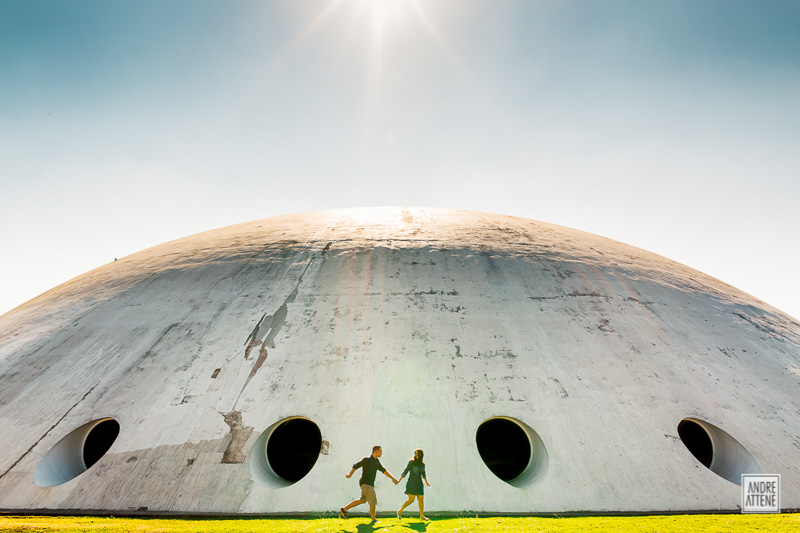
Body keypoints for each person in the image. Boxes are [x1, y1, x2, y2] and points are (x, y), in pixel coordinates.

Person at [340, 445, 399, 524]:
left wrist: (393, 478)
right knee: (373, 501)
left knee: (363, 500)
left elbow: (383, 470)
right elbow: (356, 465)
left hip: (368, 483)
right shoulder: (367, 460)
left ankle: (344, 509)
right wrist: (350, 475)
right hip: (365, 483)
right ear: (376, 451)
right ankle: (373, 519)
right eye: (380, 451)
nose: (381, 453)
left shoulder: (376, 461)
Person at [396, 448, 431, 521]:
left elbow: (423, 474)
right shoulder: (411, 462)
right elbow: (405, 471)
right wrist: (399, 479)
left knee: (421, 499)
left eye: (417, 454)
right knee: (411, 500)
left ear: (421, 455)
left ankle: (422, 515)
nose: (416, 455)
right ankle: (400, 510)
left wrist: (426, 482)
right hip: (412, 482)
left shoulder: (422, 464)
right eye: (415, 453)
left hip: (419, 483)